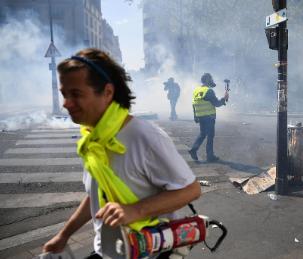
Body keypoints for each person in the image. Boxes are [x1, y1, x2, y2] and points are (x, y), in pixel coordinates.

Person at [42, 48, 200, 259]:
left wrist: (135, 210)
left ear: (107, 92)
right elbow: (96, 196)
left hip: (150, 252)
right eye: (64, 94)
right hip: (109, 251)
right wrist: (63, 235)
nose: (66, 103)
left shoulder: (144, 136)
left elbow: (191, 190)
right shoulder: (93, 139)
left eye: (76, 94)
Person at [189, 73, 228, 162]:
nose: (212, 81)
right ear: (207, 80)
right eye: (210, 79)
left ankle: (193, 150)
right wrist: (224, 99)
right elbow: (216, 104)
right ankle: (210, 156)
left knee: (202, 134)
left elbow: (194, 104)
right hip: (209, 117)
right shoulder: (208, 91)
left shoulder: (196, 90)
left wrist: (195, 116)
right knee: (210, 136)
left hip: (201, 116)